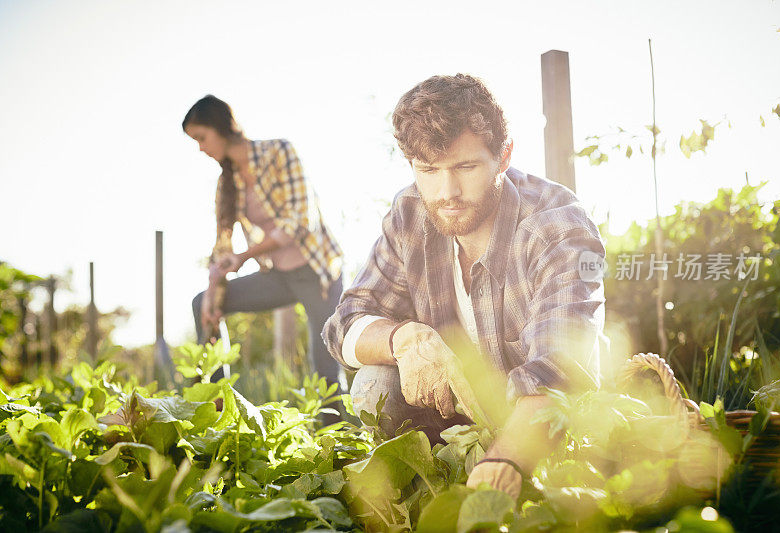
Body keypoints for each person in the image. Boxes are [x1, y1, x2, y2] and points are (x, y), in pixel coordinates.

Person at [322, 74, 608, 499]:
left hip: (548, 428)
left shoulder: (557, 227)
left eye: (466, 167)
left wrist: (503, 461)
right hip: (455, 431)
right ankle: (423, 497)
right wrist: (403, 338)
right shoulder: (410, 213)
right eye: (428, 170)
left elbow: (558, 371)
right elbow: (343, 324)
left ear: (504, 155)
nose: (446, 192)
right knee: (374, 383)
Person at [183, 95, 345, 402]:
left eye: (202, 138)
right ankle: (217, 409)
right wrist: (212, 290)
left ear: (222, 127)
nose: (201, 148)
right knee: (199, 304)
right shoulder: (226, 182)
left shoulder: (278, 151)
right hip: (279, 277)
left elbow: (300, 221)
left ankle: (336, 445)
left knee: (324, 368)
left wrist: (245, 256)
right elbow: (222, 247)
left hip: (317, 272)